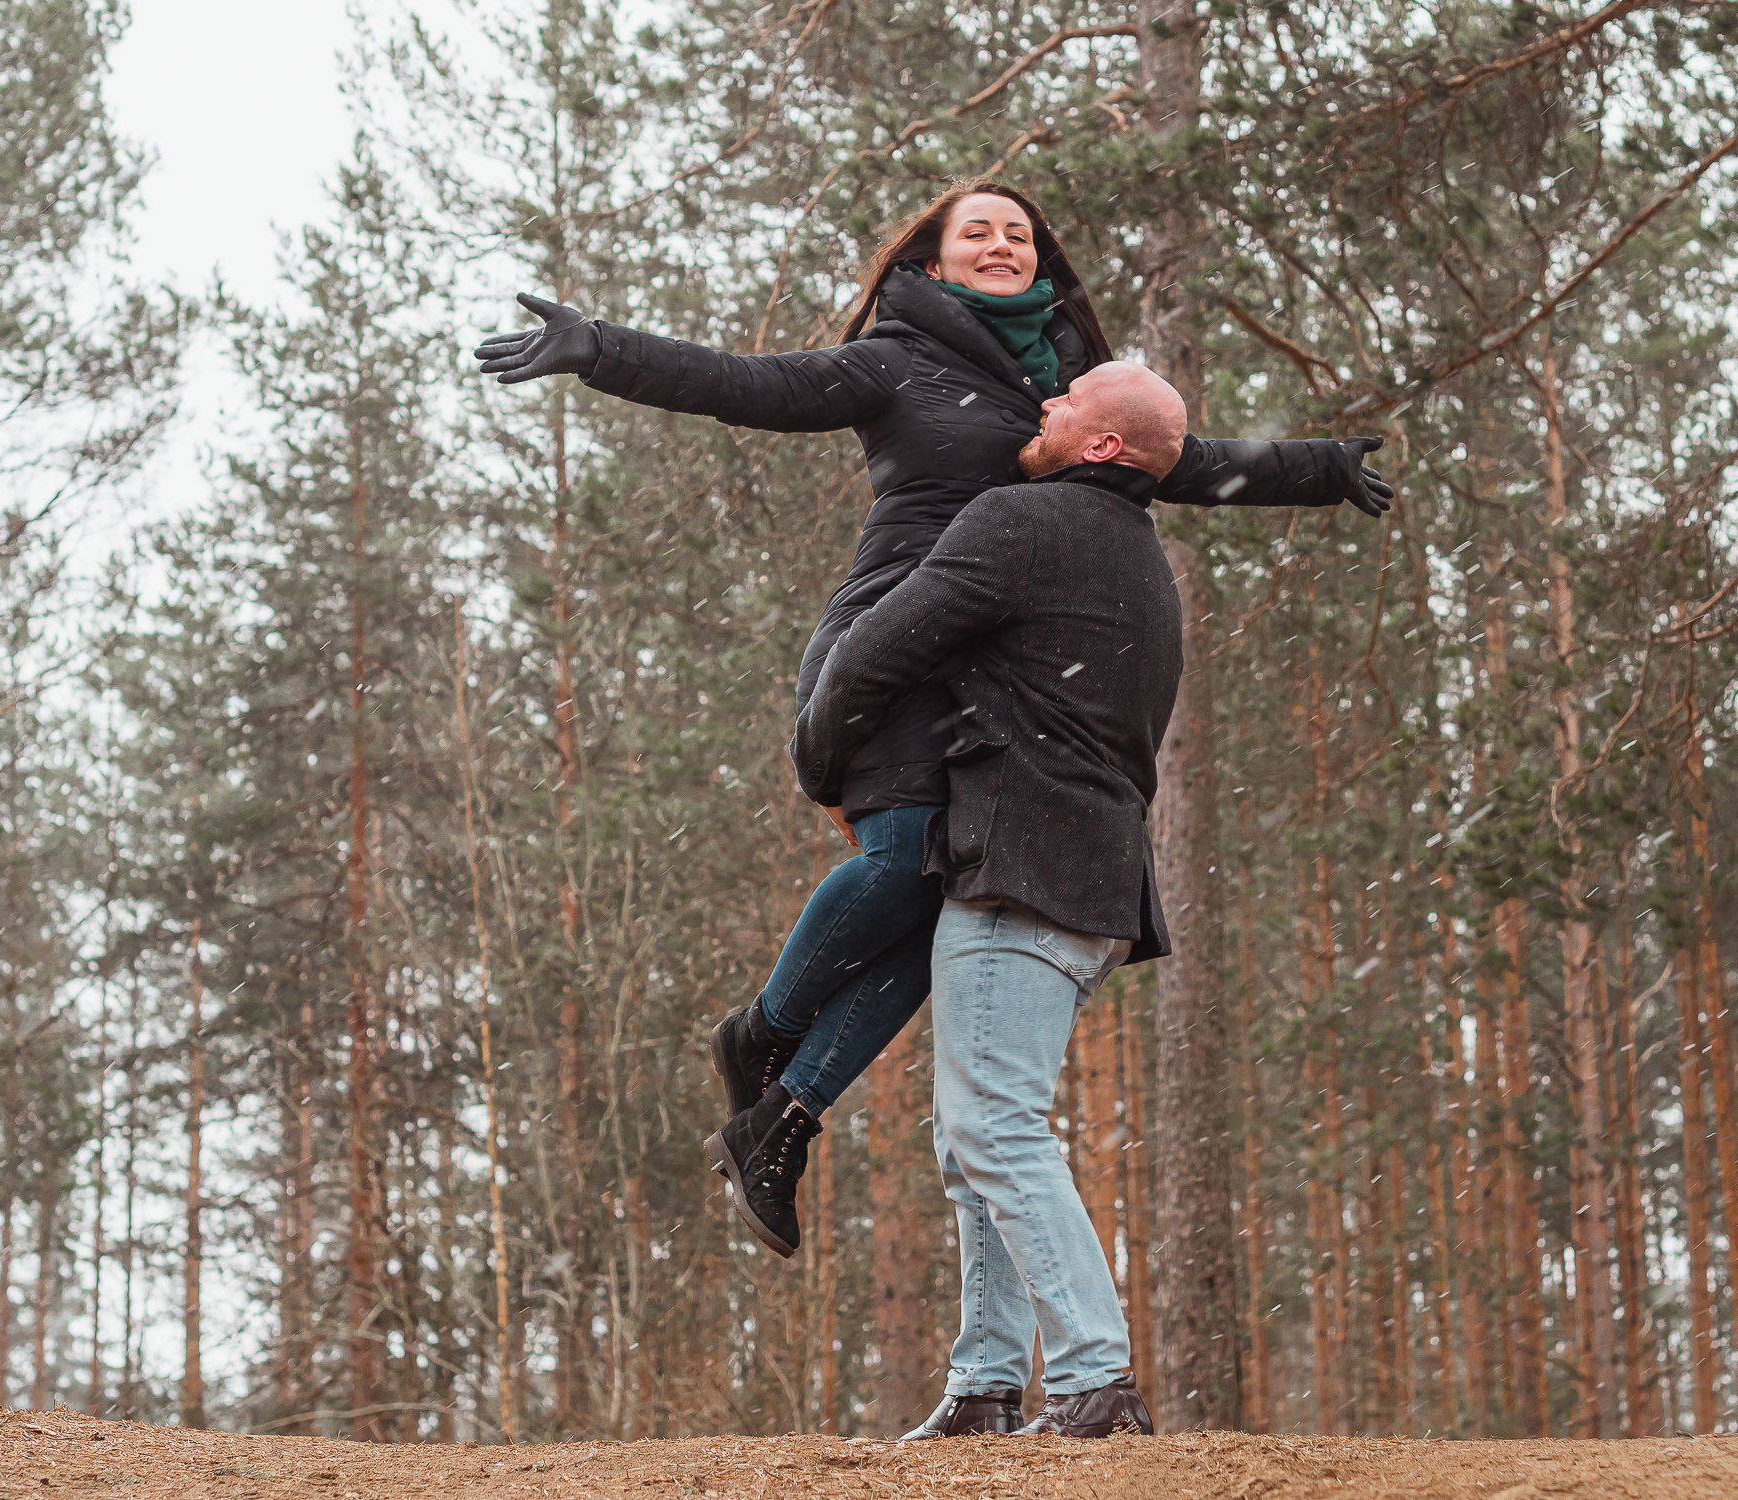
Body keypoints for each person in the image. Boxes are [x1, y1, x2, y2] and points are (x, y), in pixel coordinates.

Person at [474, 181, 1393, 1258]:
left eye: (1018, 233)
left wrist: (1322, 468)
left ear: (1039, 260)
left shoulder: (1063, 394)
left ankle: (783, 1119)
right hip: (891, 645)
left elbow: (1183, 459)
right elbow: (747, 384)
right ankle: (762, 1034)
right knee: (906, 859)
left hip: (992, 680)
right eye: (977, 232)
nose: (1001, 244)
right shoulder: (895, 359)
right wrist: (598, 349)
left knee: (951, 901)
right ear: (934, 261)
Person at [793, 361, 1204, 1440]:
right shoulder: (1138, 555)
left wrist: (824, 768)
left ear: (1101, 445)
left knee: (993, 1128)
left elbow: (871, 654)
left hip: (1022, 868)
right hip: (1091, 882)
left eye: (1069, 400)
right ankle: (983, 1384)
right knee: (974, 1132)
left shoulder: (1019, 520)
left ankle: (1094, 1381)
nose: (1046, 403)